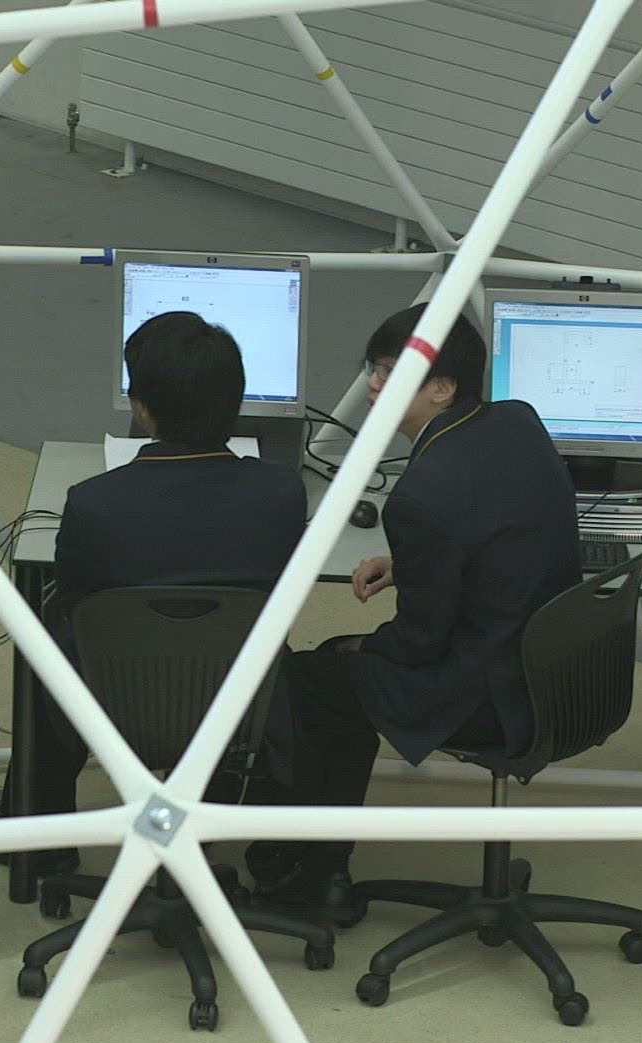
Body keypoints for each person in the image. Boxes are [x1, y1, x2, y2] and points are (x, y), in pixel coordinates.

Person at [249, 303, 581, 912]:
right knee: (339, 671)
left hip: (490, 695)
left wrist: (362, 646)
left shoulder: (423, 496)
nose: (372, 385)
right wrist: (413, 564)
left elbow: (419, 643)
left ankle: (302, 874)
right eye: (372, 368)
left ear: (442, 387)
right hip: (551, 668)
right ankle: (313, 864)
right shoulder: (515, 420)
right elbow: (502, 532)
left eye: (389, 371)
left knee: (310, 677)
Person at [24, 312, 305, 858]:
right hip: (240, 702)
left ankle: (41, 845)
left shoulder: (94, 502)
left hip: (114, 701)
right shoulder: (281, 493)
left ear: (141, 406)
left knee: (47, 648)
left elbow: (76, 603)